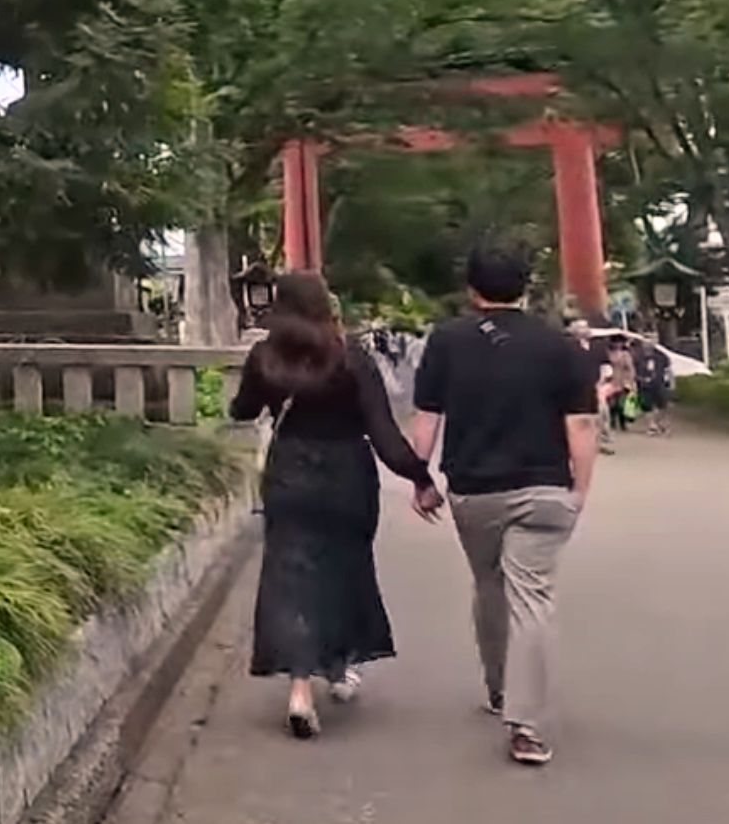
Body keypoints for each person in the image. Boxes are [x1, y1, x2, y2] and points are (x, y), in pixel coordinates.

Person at [410, 245, 600, 767]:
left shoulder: (447, 342)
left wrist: (419, 479)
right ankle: (528, 725)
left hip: (474, 491)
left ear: (472, 291)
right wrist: (578, 490)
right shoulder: (561, 347)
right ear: (526, 287)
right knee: (533, 598)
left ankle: (498, 688)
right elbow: (581, 424)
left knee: (489, 584)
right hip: (544, 488)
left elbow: (427, 418)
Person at [230, 272, 442, 740]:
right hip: (347, 473)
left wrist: (260, 397)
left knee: (291, 576)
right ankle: (342, 666)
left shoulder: (266, 357)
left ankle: (300, 691)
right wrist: (421, 478)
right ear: (325, 305)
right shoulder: (351, 358)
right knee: (345, 568)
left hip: (290, 472)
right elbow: (385, 436)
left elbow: (241, 410)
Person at [567, 320, 615, 454]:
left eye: (586, 327)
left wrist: (604, 379)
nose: (585, 330)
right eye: (581, 328)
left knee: (602, 413)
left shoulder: (597, 347)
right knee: (580, 416)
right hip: (576, 387)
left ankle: (602, 441)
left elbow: (606, 365)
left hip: (597, 386)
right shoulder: (569, 347)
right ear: (574, 331)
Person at [635, 336, 674, 436]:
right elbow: (633, 370)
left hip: (659, 383)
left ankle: (657, 423)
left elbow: (669, 370)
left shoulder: (661, 356)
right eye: (646, 341)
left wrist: (671, 382)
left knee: (664, 406)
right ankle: (651, 426)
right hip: (643, 384)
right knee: (647, 407)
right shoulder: (638, 356)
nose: (648, 343)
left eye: (651, 340)